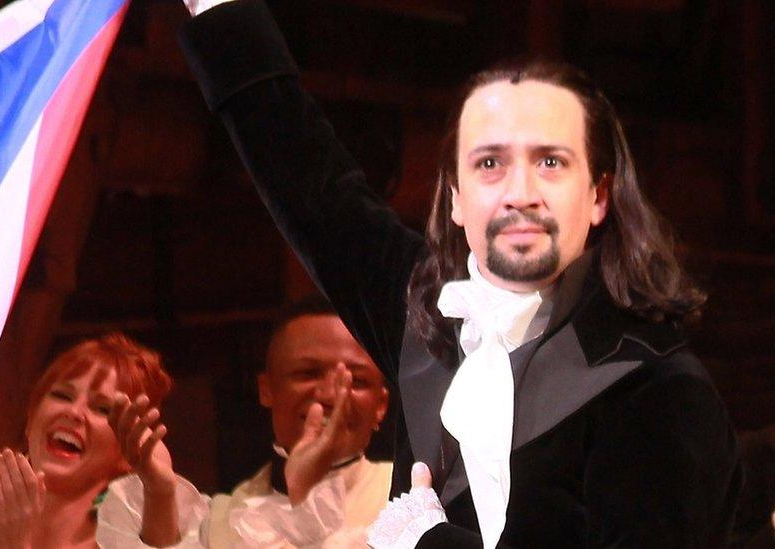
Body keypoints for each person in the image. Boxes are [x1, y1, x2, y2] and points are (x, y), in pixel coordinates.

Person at [173, 0, 742, 547]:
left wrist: (428, 543)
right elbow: (308, 183)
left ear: (598, 196)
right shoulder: (424, 315)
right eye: (490, 164)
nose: (521, 194)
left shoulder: (658, 388)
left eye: (551, 162)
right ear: (455, 200)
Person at [96, 296, 393, 547]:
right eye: (308, 374)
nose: (330, 394)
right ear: (267, 390)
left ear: (381, 405)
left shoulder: (409, 495)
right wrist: (159, 493)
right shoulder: (224, 518)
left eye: (356, 380)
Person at [0, 333, 173, 549]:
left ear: (128, 449)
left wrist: (160, 491)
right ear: (30, 422)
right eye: (62, 395)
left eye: (102, 409)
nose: (74, 412)